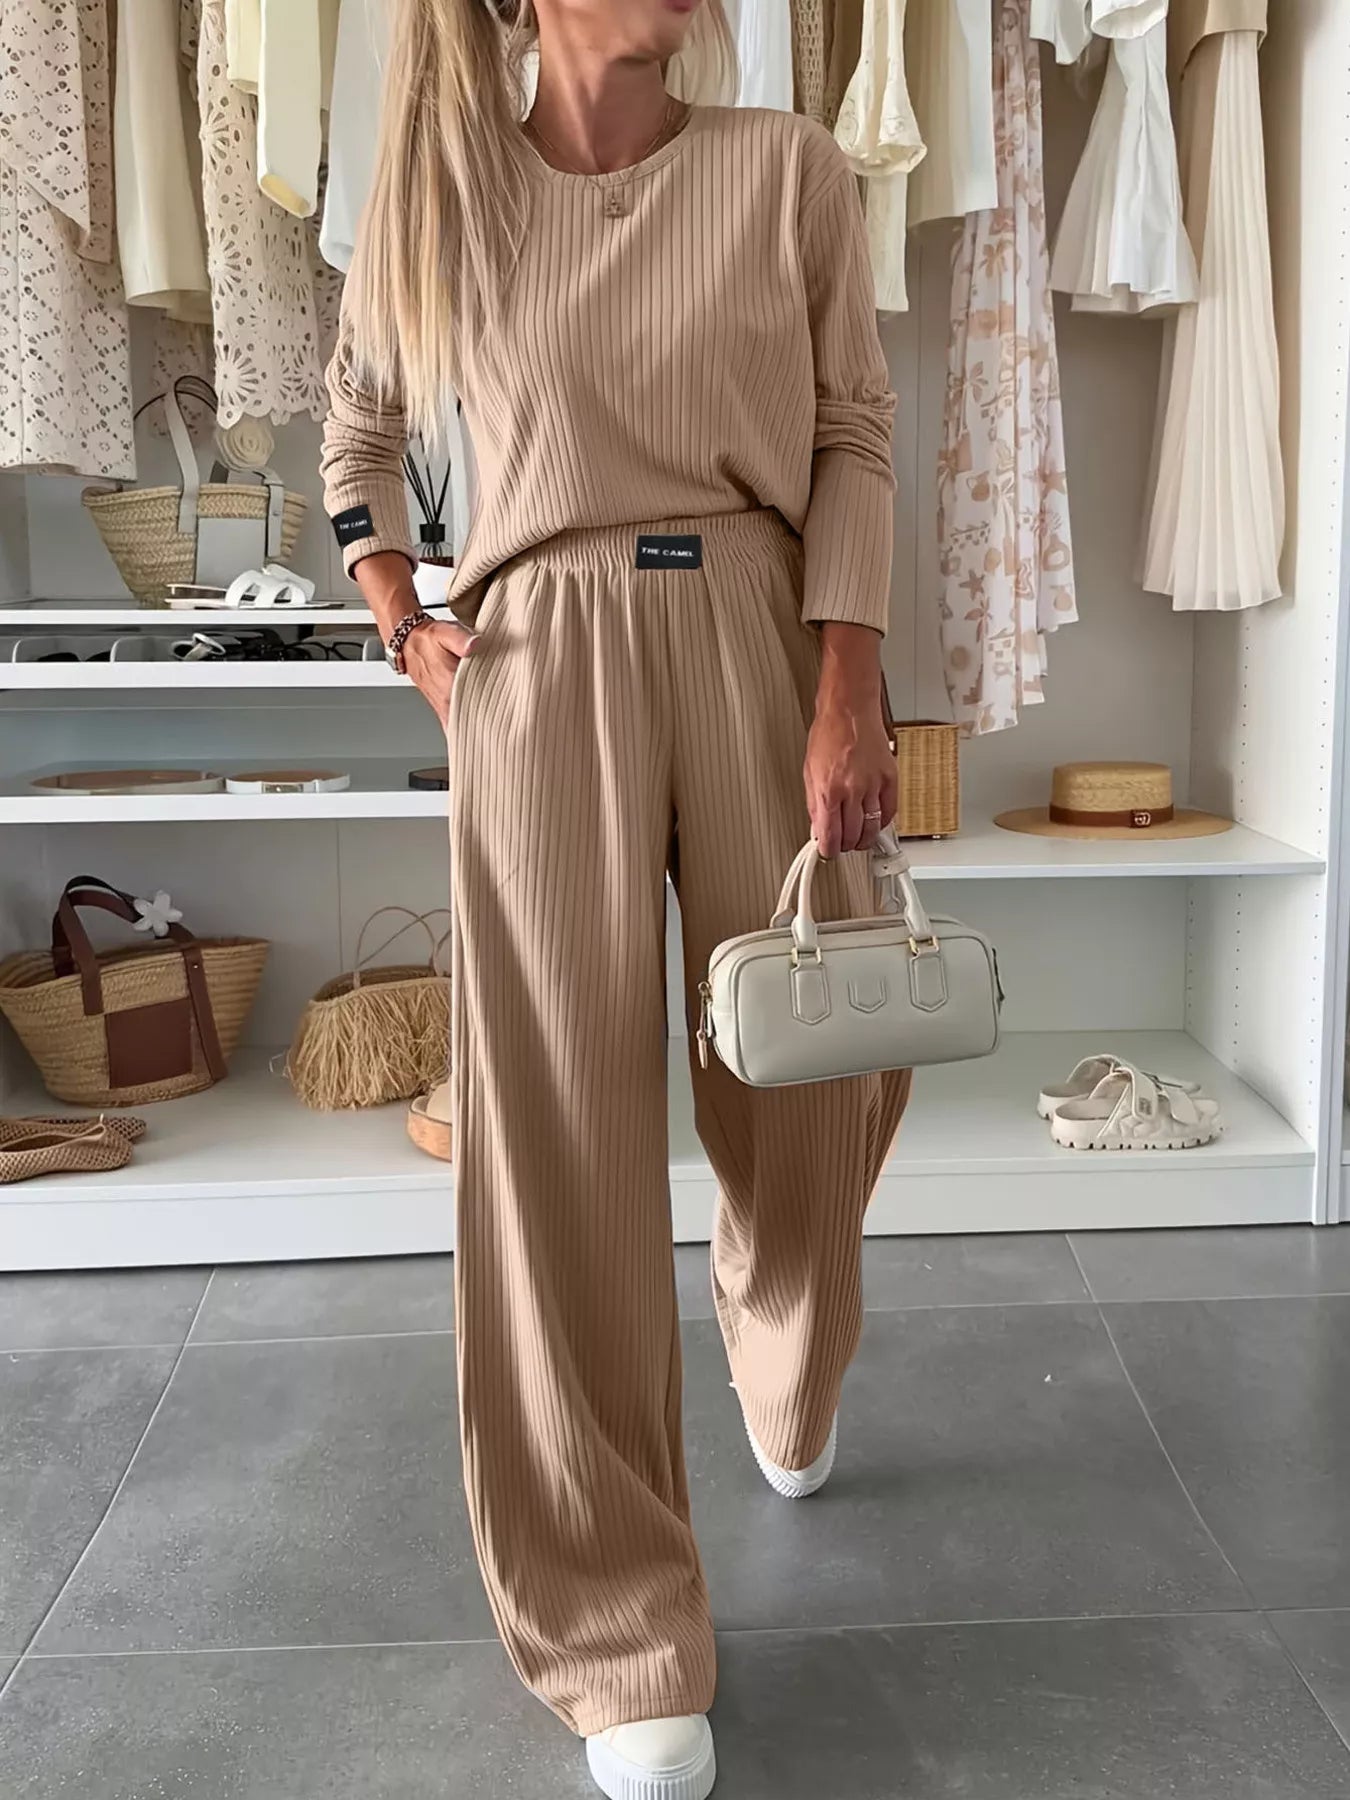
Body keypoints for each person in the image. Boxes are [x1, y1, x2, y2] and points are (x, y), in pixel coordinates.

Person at [319, 2, 910, 1793]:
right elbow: (355, 440)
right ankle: (616, 1624)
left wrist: (846, 683)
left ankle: (777, 1318)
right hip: (533, 655)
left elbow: (851, 437)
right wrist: (399, 617)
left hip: (748, 622)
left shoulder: (785, 171)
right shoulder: (439, 199)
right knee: (555, 1132)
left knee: (814, 1075)